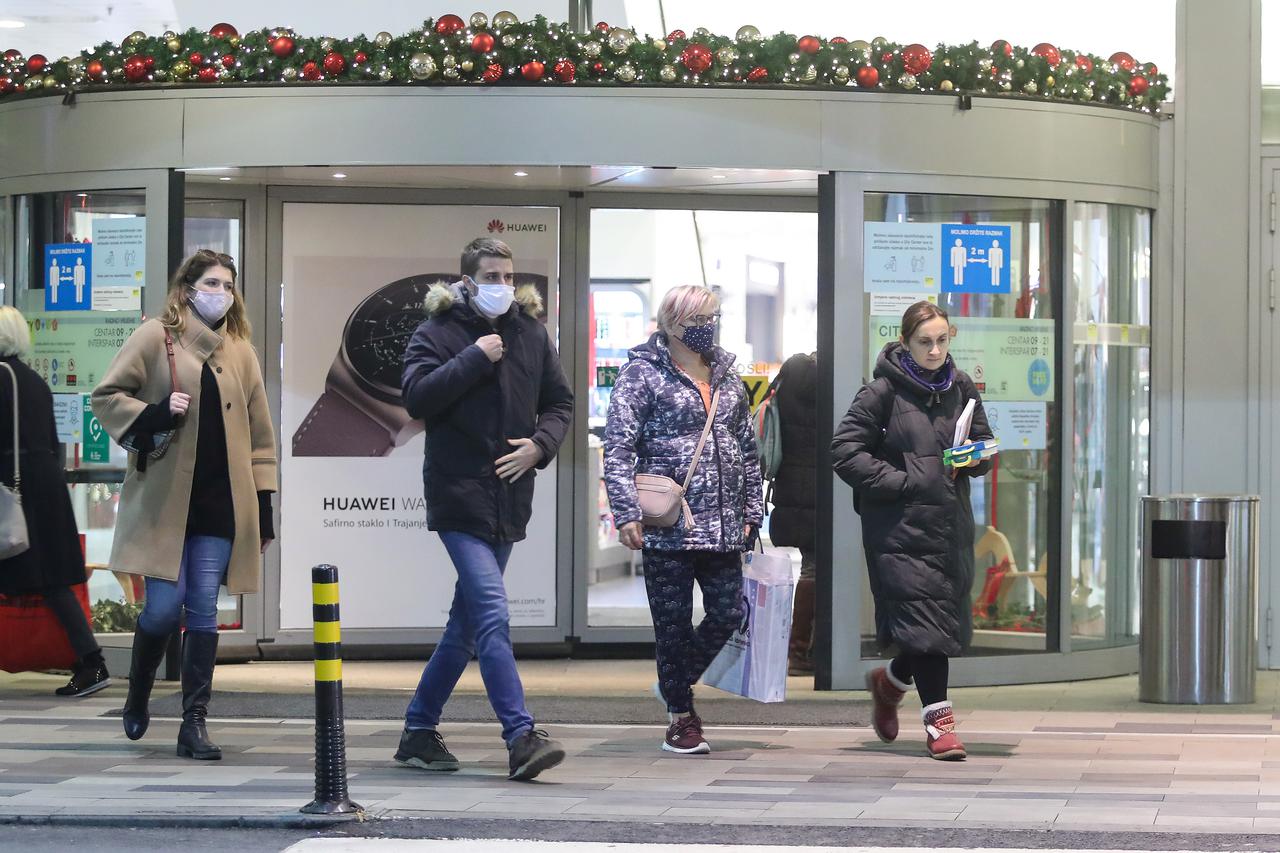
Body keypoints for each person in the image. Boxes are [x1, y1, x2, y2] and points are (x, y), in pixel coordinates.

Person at [397, 237, 573, 782]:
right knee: (493, 613)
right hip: (459, 495)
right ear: (467, 282)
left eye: (507, 275)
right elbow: (418, 398)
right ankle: (520, 736)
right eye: (490, 276)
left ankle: (418, 732)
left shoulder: (532, 334)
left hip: (508, 498)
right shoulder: (438, 332)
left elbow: (560, 403)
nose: (502, 286)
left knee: (466, 627)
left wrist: (540, 445)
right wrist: (475, 357)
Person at [92, 249, 277, 761]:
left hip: (221, 501)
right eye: (212, 282)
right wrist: (153, 412)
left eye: (229, 285)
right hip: (166, 501)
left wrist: (263, 510)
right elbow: (106, 396)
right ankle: (139, 690)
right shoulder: (156, 336)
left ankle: (194, 723)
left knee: (202, 614)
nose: (221, 293)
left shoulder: (242, 350)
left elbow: (261, 439)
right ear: (188, 286)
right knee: (161, 611)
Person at [604, 285, 763, 755]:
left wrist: (752, 508)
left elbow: (746, 449)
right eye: (697, 321)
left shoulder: (728, 376)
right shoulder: (641, 375)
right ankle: (681, 715)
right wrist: (626, 510)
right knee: (671, 624)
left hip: (724, 524)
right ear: (670, 325)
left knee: (729, 612)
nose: (707, 328)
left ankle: (674, 682)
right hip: (667, 523)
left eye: (713, 317)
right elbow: (618, 448)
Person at [831, 301, 993, 761]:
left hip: (947, 525)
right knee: (926, 625)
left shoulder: (960, 387)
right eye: (925, 342)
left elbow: (982, 443)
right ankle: (940, 726)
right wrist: (902, 482)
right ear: (905, 342)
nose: (936, 350)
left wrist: (975, 458)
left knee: (934, 628)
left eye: (943, 340)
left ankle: (891, 681)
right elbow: (845, 451)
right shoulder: (880, 392)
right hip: (898, 530)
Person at [0, 307, 109, 697]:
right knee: (52, 581)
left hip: (13, 490)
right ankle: (90, 662)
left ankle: (91, 662)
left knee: (45, 579)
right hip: (42, 487)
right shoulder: (33, 380)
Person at [766, 351, 818, 676]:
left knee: (811, 569)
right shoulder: (835, 382)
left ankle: (799, 650)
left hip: (791, 487)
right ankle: (800, 652)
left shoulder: (788, 379)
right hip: (823, 489)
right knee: (816, 571)